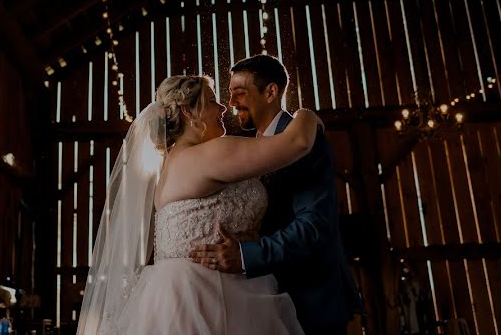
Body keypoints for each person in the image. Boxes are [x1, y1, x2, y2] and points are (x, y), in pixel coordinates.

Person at [76, 74, 321, 334]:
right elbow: (298, 141)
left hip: (170, 297)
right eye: (213, 101)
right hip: (208, 296)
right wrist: (307, 115)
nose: (223, 107)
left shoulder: (171, 165)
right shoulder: (209, 154)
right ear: (188, 111)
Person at [188, 55, 363, 335]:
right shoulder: (246, 148)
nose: (231, 104)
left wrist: (245, 256)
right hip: (265, 300)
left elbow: (314, 226)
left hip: (310, 300)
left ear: (271, 92)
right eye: (230, 94)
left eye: (240, 93)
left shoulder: (304, 141)